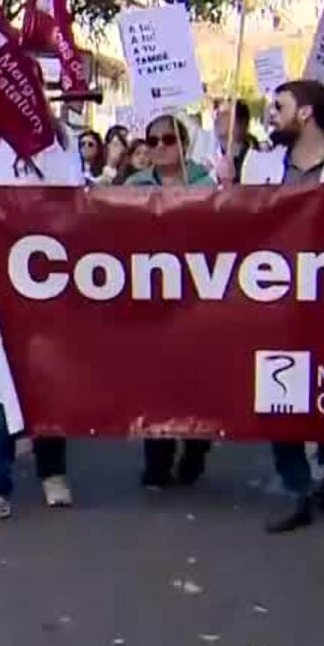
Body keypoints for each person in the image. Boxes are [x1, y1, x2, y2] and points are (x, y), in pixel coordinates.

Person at [218, 79, 324, 533]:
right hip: (278, 296)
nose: (272, 113)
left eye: (280, 106)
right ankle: (295, 487)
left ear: (306, 113)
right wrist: (228, 188)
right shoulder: (260, 163)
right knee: (278, 394)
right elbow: (241, 222)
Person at [0, 70, 83, 527]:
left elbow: (72, 204)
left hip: (39, 286)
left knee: (41, 378)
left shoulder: (53, 144)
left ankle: (53, 469)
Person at [121, 113, 216, 488]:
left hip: (195, 293)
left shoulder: (207, 182)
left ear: (184, 145)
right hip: (150, 294)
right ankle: (156, 458)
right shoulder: (134, 184)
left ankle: (195, 446)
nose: (159, 147)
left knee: (192, 377)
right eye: (153, 140)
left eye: (168, 140)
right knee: (153, 378)